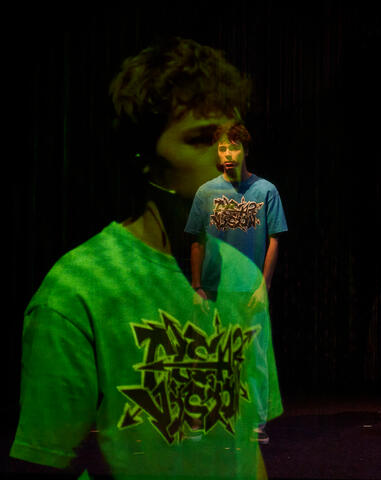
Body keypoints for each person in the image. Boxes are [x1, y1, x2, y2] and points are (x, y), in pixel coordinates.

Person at [9, 37, 283, 479]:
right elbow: (43, 462)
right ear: (143, 156)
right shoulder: (77, 292)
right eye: (201, 139)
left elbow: (247, 447)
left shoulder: (243, 276)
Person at [184, 123, 287, 444]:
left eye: (234, 147)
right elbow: (197, 241)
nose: (228, 154)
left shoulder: (266, 191)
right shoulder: (206, 193)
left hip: (249, 289)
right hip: (213, 288)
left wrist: (263, 285)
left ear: (245, 150)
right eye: (222, 148)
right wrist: (196, 285)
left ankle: (256, 423)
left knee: (253, 356)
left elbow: (274, 240)